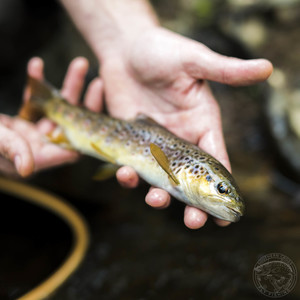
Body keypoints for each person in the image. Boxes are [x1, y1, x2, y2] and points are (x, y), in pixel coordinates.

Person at [0, 0, 273, 229]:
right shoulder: (175, 173)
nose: (226, 198)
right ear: (194, 172)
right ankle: (46, 105)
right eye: (222, 190)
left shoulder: (182, 174)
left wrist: (127, 38)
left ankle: (46, 106)